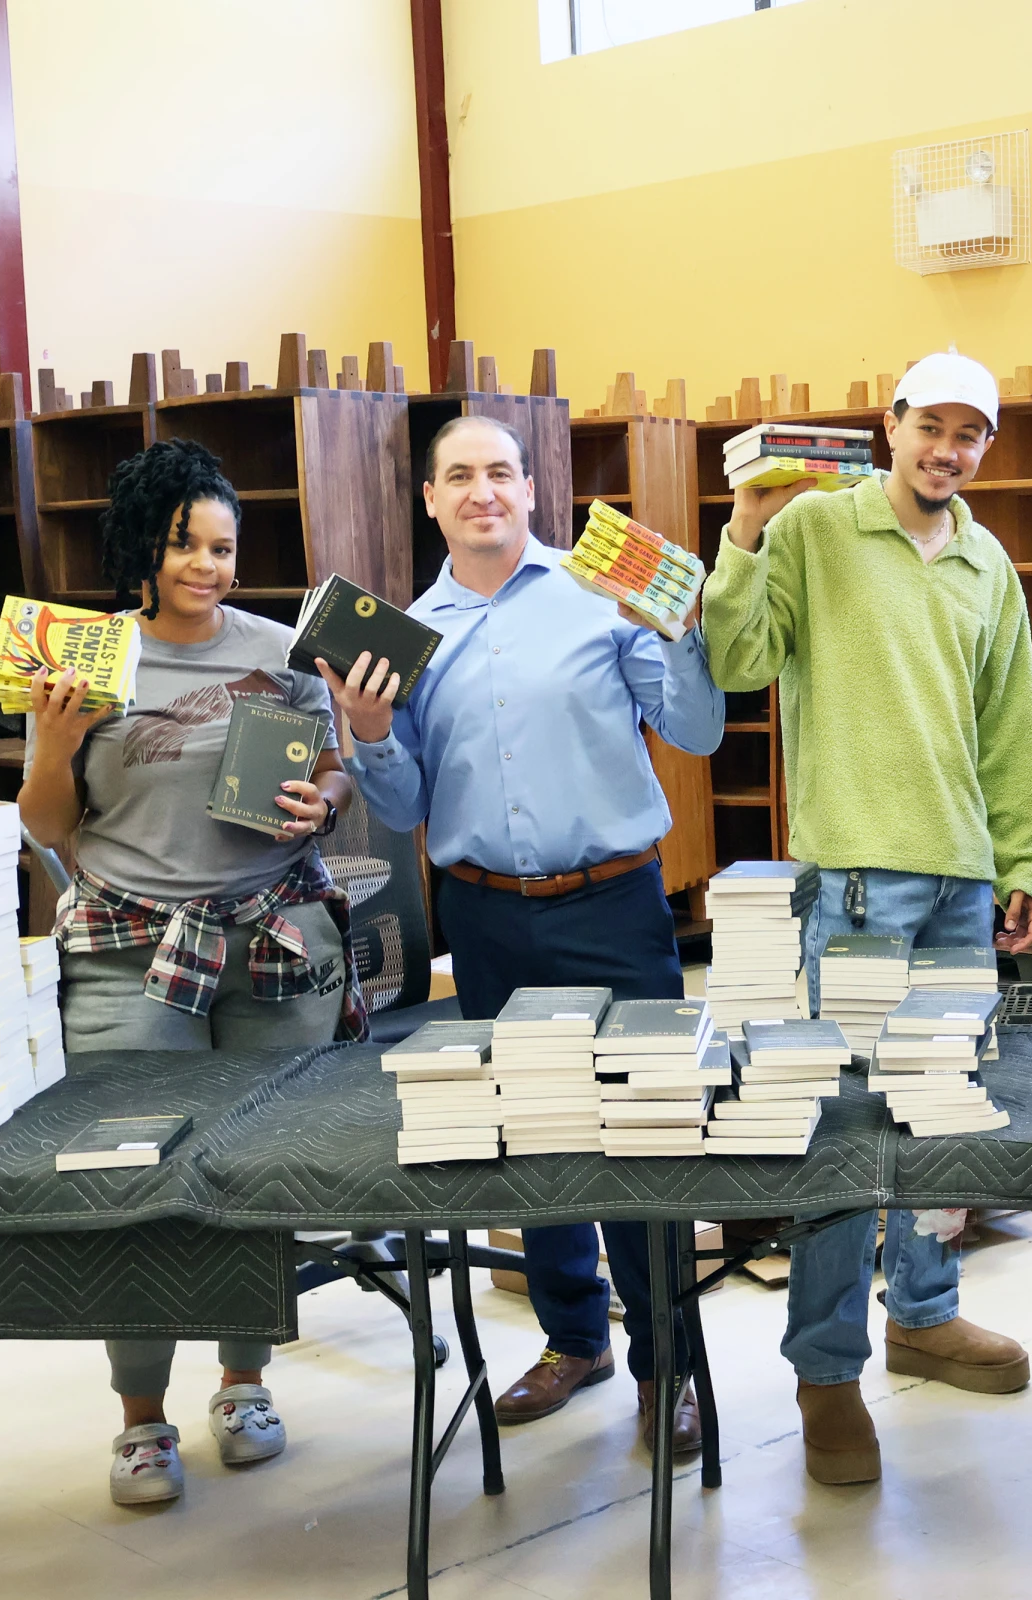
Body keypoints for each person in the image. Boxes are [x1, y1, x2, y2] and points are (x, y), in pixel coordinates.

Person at [325, 415, 722, 1458]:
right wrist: (369, 737)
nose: (482, 490)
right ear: (430, 500)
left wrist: (676, 631)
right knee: (534, 1131)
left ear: (534, 490)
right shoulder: (407, 634)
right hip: (486, 910)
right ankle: (573, 1337)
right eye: (459, 475)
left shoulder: (602, 598)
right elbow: (405, 804)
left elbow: (697, 731)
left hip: (614, 902)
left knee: (639, 1134)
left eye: (500, 471)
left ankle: (665, 1365)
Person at [700, 350, 1032, 1486]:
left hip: (959, 880)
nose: (949, 449)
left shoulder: (989, 560)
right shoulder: (813, 530)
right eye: (931, 426)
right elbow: (738, 655)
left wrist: (1026, 856)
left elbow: (1009, 729)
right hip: (852, 881)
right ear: (890, 424)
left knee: (939, 1119)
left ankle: (926, 1312)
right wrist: (744, 534)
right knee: (844, 1137)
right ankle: (826, 1373)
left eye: (972, 434)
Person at [18, 439, 359, 1506]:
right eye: (184, 545)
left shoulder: (289, 652)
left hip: (273, 939)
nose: (209, 566)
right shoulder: (86, 657)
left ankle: (246, 1383)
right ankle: (140, 1419)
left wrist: (330, 798)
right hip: (126, 952)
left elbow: (335, 772)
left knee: (257, 1175)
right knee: (129, 1185)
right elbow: (48, 828)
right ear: (139, 549)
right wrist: (45, 742)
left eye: (223, 546)